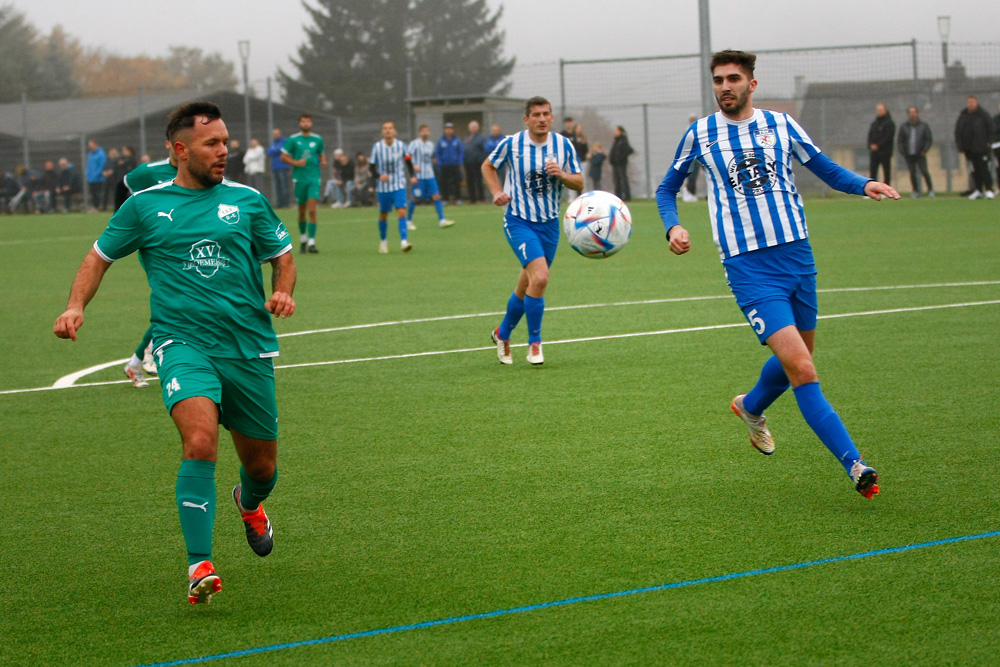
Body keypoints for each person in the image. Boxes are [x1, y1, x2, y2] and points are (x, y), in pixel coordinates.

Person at [53, 101, 296, 605]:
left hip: (248, 348)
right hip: (180, 343)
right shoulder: (144, 205)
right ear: (181, 150)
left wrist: (284, 290)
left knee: (262, 469)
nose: (224, 150)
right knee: (201, 440)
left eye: (226, 141)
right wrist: (75, 306)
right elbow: (97, 259)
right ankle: (199, 564)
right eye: (213, 143)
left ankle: (249, 505)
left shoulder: (247, 201)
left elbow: (282, 255)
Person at [656, 49, 899, 499]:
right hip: (748, 266)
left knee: (795, 362)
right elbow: (666, 188)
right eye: (718, 80)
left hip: (798, 258)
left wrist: (863, 183)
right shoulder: (701, 134)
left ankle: (750, 407)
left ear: (752, 83)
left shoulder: (781, 125)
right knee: (804, 369)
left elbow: (824, 169)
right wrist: (673, 224)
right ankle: (856, 465)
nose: (724, 86)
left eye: (733, 78)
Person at [483, 96, 582, 366]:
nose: (541, 118)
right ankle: (535, 344)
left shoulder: (564, 145)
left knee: (527, 284)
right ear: (526, 119)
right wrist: (496, 191)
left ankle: (502, 334)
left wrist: (561, 174)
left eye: (546, 114)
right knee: (540, 277)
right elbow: (488, 165)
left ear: (552, 117)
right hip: (518, 221)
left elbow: (579, 181)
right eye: (536, 114)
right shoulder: (513, 144)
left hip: (549, 225)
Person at [121, 144, 180, 387]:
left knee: (181, 302)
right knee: (175, 300)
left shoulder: (199, 171)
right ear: (171, 144)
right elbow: (123, 185)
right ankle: (150, 353)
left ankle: (135, 363)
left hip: (185, 248)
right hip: (156, 248)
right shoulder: (148, 171)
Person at [281, 113, 327, 253]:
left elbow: (321, 153)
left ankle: (312, 243)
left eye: (308, 121)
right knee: (302, 211)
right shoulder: (293, 140)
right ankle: (303, 240)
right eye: (303, 121)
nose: (306, 124)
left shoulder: (317, 139)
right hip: (299, 179)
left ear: (311, 123)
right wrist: (296, 162)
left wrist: (323, 161)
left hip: (314, 178)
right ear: (300, 123)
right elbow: (283, 157)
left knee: (312, 210)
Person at [370, 120, 414, 254]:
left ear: (395, 131)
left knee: (401, 211)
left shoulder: (401, 146)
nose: (388, 131)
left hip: (398, 184)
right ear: (382, 132)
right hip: (383, 187)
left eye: (390, 128)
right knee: (383, 215)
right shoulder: (377, 147)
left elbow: (408, 162)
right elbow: (371, 168)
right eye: (385, 128)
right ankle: (383, 242)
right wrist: (379, 176)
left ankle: (404, 242)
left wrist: (412, 176)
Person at [406, 124, 455, 229]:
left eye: (427, 131)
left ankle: (442, 220)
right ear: (419, 132)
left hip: (430, 175)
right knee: (415, 198)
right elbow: (407, 157)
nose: (425, 133)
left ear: (429, 132)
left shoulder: (431, 145)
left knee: (436, 196)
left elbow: (432, 158)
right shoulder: (414, 144)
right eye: (423, 131)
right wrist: (413, 168)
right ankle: (408, 221)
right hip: (419, 176)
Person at [954, 95, 995, 200]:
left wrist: (989, 142)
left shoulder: (983, 115)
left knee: (984, 169)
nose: (971, 104)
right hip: (969, 149)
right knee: (974, 170)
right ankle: (978, 190)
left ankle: (989, 190)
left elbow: (991, 129)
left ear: (976, 103)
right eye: (969, 102)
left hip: (982, 148)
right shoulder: (963, 116)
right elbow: (958, 131)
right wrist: (960, 145)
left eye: (973, 102)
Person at [896, 106, 934, 198]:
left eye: (914, 112)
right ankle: (916, 191)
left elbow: (928, 139)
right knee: (912, 173)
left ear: (917, 113)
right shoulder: (904, 127)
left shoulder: (923, 126)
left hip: (920, 153)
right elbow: (900, 141)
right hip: (909, 154)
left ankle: (930, 190)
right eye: (911, 112)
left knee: (924, 171)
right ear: (908, 114)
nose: (913, 114)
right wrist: (903, 152)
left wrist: (925, 150)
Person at [435, 122, 463, 204]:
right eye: (447, 129)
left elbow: (460, 152)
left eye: (450, 129)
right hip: (444, 165)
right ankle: (445, 199)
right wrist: (440, 163)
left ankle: (458, 198)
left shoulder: (457, 140)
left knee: (456, 182)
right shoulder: (441, 141)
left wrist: (459, 162)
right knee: (444, 182)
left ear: (453, 130)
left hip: (455, 165)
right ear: (445, 130)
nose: (449, 131)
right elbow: (438, 153)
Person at [867, 102, 895, 185]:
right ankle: (872, 189)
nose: (879, 111)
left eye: (881, 110)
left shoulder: (889, 123)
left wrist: (878, 145)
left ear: (885, 110)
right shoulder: (874, 123)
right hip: (874, 153)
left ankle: (886, 190)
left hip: (885, 152)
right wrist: (870, 145)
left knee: (886, 172)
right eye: (878, 110)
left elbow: (888, 137)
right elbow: (870, 135)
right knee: (873, 172)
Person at [463, 120, 487, 204]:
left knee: (478, 181)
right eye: (471, 127)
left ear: (477, 128)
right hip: (468, 163)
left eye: (474, 127)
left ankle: (481, 198)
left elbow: (484, 150)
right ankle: (472, 198)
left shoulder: (481, 138)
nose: (473, 129)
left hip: (477, 163)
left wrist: (480, 159)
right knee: (470, 181)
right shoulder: (467, 137)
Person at [266, 128, 291, 208]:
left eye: (277, 134)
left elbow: (281, 150)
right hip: (275, 167)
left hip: (283, 166)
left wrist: (275, 151)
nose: (275, 135)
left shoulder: (284, 141)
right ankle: (279, 203)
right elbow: (269, 152)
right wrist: (275, 151)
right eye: (274, 134)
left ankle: (285, 203)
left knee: (284, 186)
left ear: (280, 134)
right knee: (277, 187)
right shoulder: (273, 143)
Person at [609, 126, 634, 201]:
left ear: (620, 131)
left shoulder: (623, 140)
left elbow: (629, 150)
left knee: (623, 179)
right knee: (616, 180)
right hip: (615, 164)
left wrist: (621, 158)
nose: (615, 132)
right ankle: (618, 196)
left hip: (621, 164)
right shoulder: (616, 141)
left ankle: (627, 196)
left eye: (616, 131)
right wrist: (612, 159)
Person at [682, 113, 701, 202]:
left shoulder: (700, 128)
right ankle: (687, 192)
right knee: (690, 176)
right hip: (690, 157)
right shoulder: (689, 129)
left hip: (698, 157)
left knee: (694, 176)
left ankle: (692, 193)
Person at [113, 146, 137, 211]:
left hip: (128, 181)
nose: (123, 152)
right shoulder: (124, 159)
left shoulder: (132, 160)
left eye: (124, 150)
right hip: (123, 181)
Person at [85, 139, 107, 212]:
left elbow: (101, 166)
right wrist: (88, 174)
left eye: (91, 144)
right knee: (93, 193)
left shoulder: (101, 154)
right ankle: (94, 206)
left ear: (95, 144)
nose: (89, 146)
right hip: (91, 178)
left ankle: (98, 207)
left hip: (99, 178)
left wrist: (96, 175)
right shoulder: (90, 154)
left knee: (98, 193)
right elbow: (89, 165)